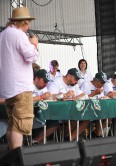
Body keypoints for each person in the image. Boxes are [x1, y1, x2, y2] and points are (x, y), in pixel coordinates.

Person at [0, 7, 38, 150]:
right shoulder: (19, 35)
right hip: (21, 87)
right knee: (20, 125)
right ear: (23, 22)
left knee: (12, 124)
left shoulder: (2, 35)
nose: (28, 27)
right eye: (28, 24)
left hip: (8, 88)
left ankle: (12, 156)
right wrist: (34, 44)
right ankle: (17, 158)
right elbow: (31, 56)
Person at [47, 68, 87, 141]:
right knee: (75, 116)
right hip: (56, 111)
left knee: (86, 117)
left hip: (70, 111)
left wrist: (74, 98)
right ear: (69, 76)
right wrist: (65, 95)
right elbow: (50, 97)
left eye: (78, 80)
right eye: (75, 79)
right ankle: (62, 137)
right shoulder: (57, 81)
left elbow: (84, 95)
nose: (76, 82)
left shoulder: (74, 84)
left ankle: (68, 138)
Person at [32, 69, 59, 144]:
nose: (46, 84)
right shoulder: (29, 86)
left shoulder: (43, 87)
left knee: (55, 122)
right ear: (37, 79)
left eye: (47, 82)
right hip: (29, 114)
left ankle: (34, 140)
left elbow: (48, 96)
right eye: (44, 81)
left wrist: (58, 95)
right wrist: (41, 97)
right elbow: (26, 100)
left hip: (41, 113)